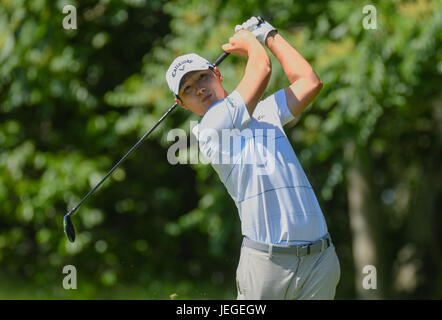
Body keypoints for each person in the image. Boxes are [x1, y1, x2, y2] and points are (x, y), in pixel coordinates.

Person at [166, 16, 340, 300]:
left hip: (319, 260)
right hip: (266, 265)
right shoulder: (210, 128)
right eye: (187, 89)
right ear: (181, 104)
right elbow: (262, 68)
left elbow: (309, 82)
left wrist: (269, 34)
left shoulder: (263, 111)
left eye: (202, 77)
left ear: (217, 74)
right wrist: (250, 40)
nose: (199, 88)